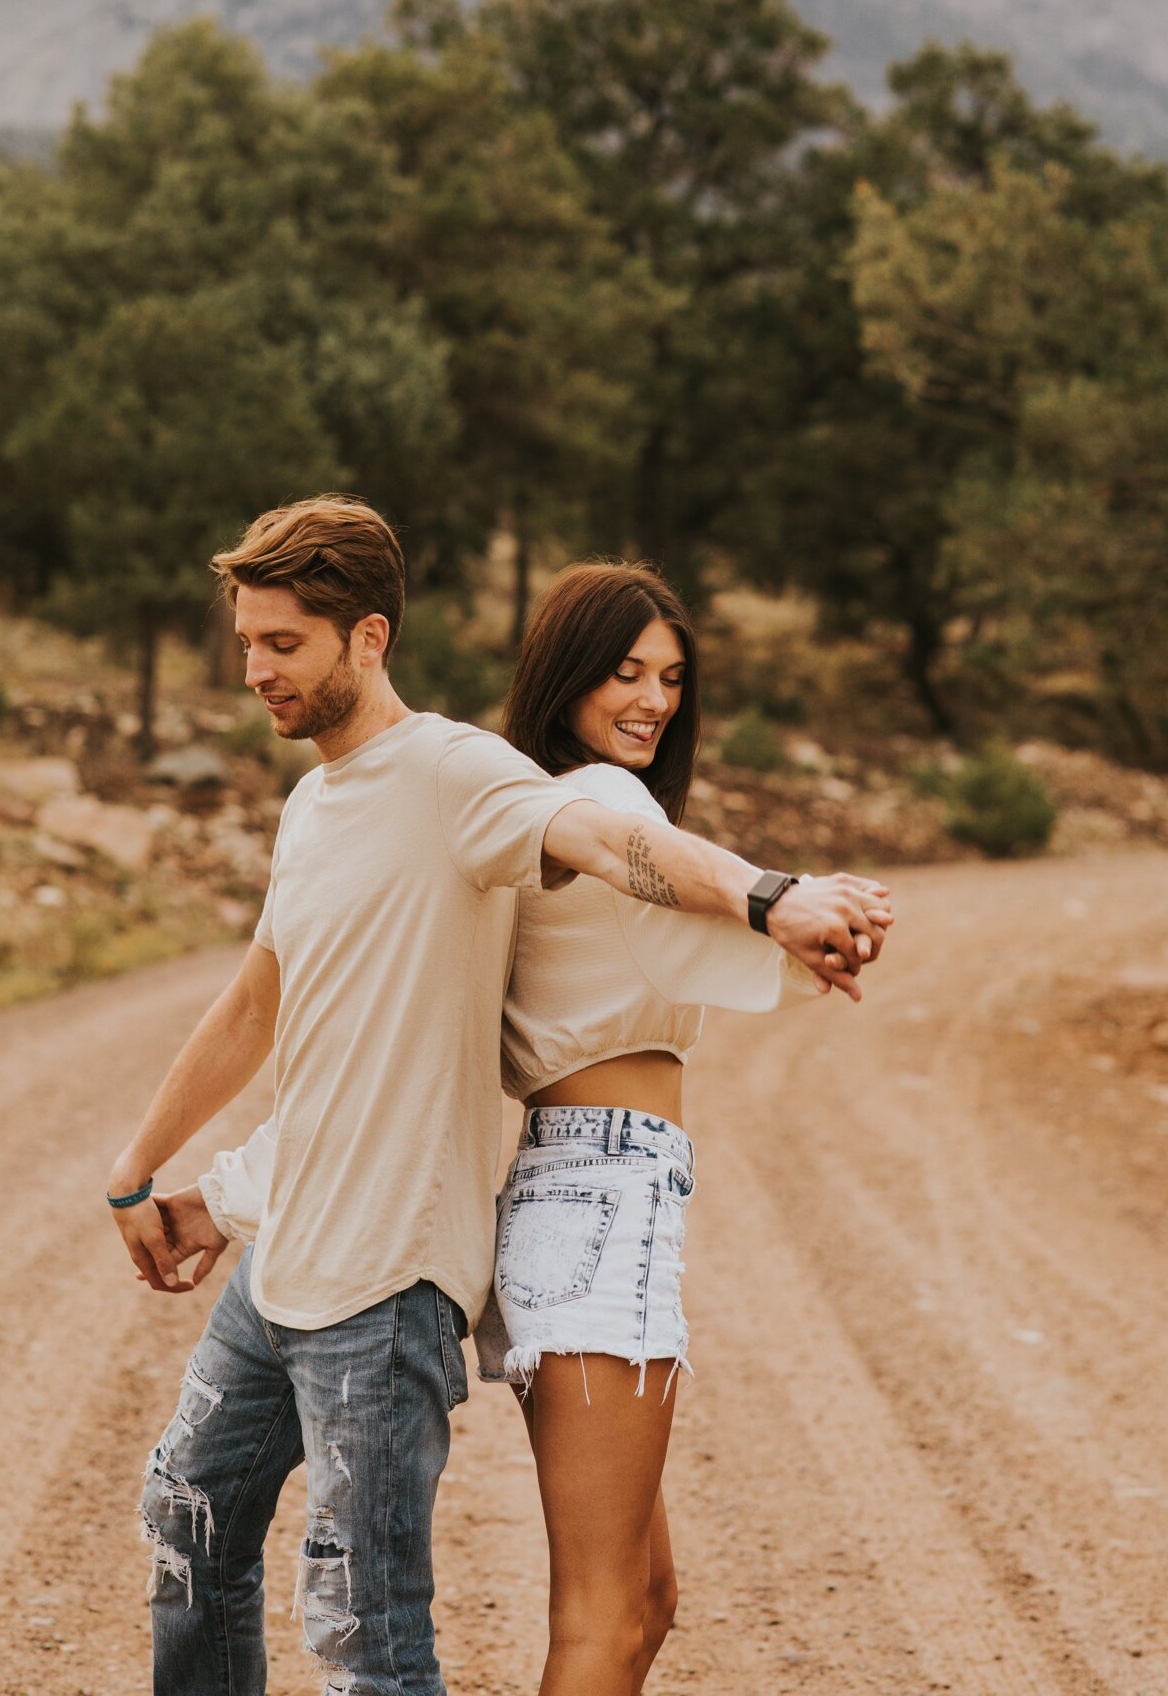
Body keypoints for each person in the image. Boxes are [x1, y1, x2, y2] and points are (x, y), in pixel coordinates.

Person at [109, 498, 891, 1696]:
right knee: (206, 1531)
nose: (254, 670)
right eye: (247, 642)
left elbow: (611, 843)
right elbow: (275, 1016)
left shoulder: (463, 773)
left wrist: (767, 896)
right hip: (360, 1243)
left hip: (404, 1264)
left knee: (416, 1633)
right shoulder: (317, 805)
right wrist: (145, 1173)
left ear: (368, 638)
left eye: (282, 644)